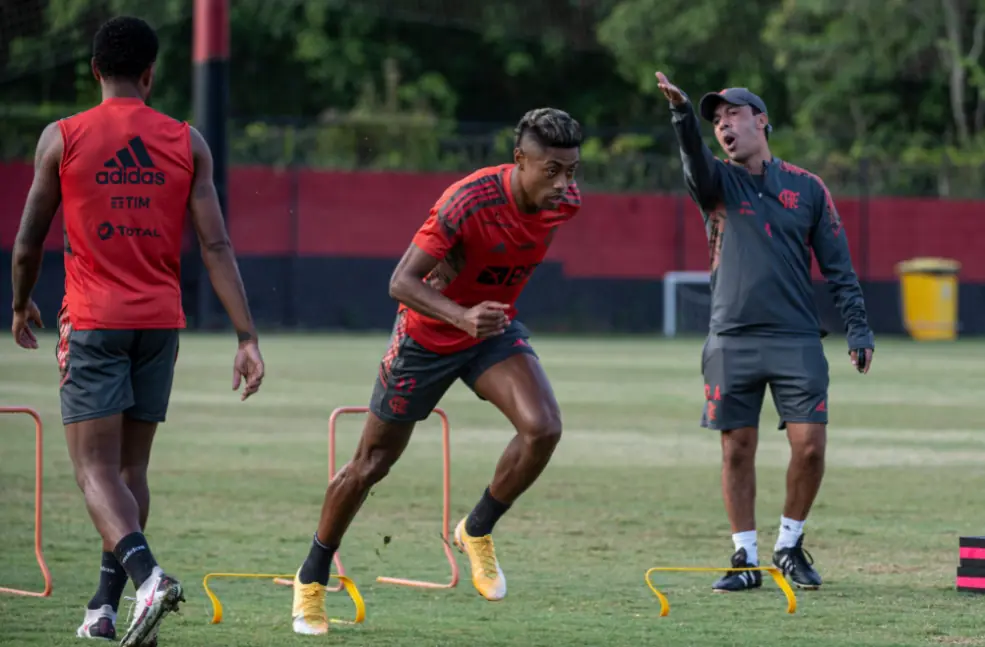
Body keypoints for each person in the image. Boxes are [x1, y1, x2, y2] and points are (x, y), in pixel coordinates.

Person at [10, 16, 265, 647]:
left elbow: (27, 241)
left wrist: (19, 304)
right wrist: (246, 337)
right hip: (160, 325)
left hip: (95, 322)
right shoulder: (187, 141)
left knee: (94, 470)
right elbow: (215, 243)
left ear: (95, 70)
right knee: (131, 469)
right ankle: (104, 607)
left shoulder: (61, 137)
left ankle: (147, 578)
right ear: (150, 74)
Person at [289, 107, 582, 635]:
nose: (564, 183)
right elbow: (400, 282)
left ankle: (476, 529)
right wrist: (461, 314)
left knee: (544, 428)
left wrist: (481, 318)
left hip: (489, 332)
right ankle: (310, 579)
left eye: (572, 170)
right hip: (426, 338)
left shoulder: (566, 203)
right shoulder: (468, 200)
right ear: (520, 161)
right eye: (552, 170)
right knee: (371, 465)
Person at [655, 72, 875, 593]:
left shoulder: (807, 187)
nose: (723, 126)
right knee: (737, 449)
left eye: (733, 115)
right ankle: (744, 558)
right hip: (731, 337)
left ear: (761, 121)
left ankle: (789, 545)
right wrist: (683, 116)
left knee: (811, 448)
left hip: (796, 337)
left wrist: (859, 327)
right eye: (716, 120)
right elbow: (693, 162)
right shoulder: (715, 181)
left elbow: (839, 266)